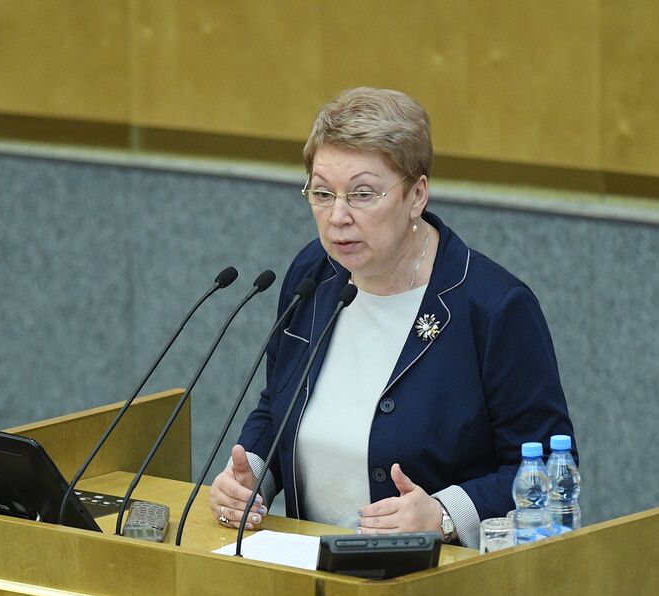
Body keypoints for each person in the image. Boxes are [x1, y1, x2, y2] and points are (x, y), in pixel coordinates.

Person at [208, 87, 575, 550]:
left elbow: (547, 470)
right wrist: (251, 477)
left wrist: (443, 515)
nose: (337, 216)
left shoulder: (493, 307)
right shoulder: (313, 276)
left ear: (416, 195)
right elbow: (279, 402)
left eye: (362, 194)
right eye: (322, 193)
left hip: (440, 579)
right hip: (312, 570)